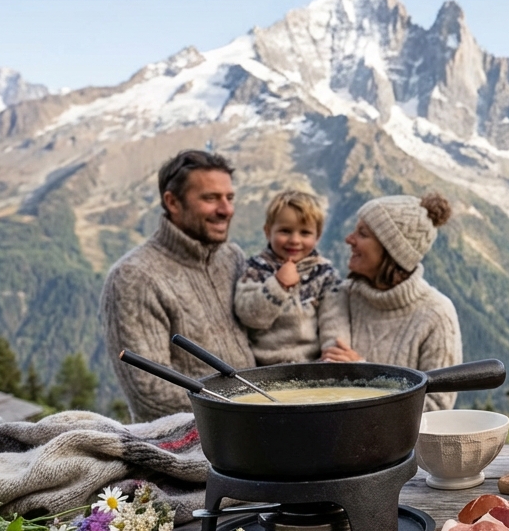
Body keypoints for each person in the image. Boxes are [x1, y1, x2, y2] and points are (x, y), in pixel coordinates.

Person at [100, 150, 255, 421]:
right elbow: (149, 394)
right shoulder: (134, 277)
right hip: (185, 446)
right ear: (172, 202)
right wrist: (252, 403)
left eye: (229, 198)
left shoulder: (233, 258)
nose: (226, 210)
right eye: (210, 198)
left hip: (261, 426)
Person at [319, 193, 462, 410]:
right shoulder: (341, 296)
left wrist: (364, 374)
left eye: (363, 233)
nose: (349, 239)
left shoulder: (437, 314)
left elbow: (437, 407)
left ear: (391, 251)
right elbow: (331, 373)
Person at [234, 190, 342, 365]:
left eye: (305, 233)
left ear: (318, 236)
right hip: (265, 368)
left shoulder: (324, 274)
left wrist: (331, 357)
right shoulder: (255, 269)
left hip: (312, 367)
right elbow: (250, 316)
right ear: (268, 232)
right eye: (285, 231)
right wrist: (278, 285)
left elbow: (334, 320)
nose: (294, 240)